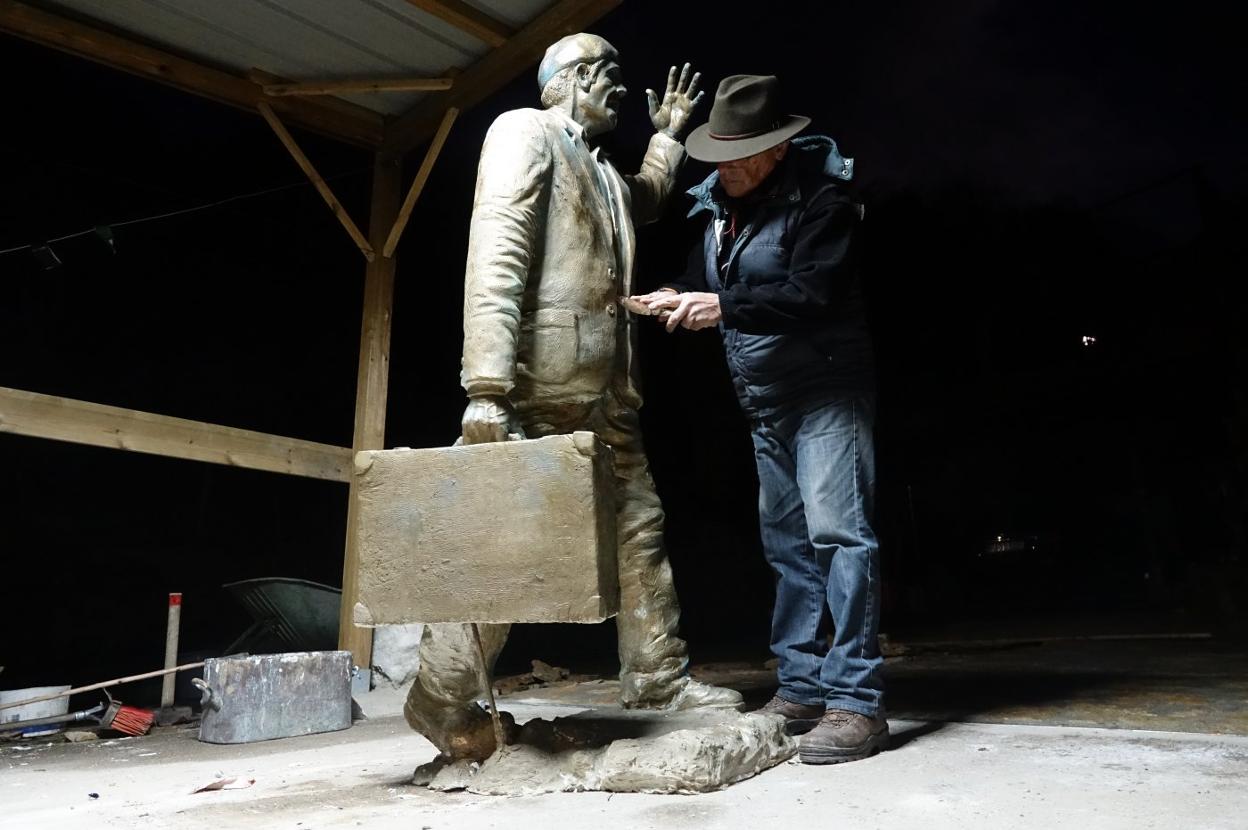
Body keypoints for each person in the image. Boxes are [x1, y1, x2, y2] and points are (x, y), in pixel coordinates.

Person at [403, 34, 742, 765]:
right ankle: (438, 699)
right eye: (611, 79)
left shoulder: (597, 164)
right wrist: (486, 387)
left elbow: (642, 199)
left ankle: (656, 681)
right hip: (533, 388)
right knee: (499, 552)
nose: (621, 92)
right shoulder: (524, 132)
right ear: (575, 79)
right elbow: (496, 249)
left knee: (639, 532)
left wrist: (667, 139)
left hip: (606, 394)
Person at [630, 74, 886, 764]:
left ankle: (857, 703)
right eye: (718, 154)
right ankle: (801, 689)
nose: (726, 167)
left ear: (777, 151)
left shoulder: (824, 202)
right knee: (787, 549)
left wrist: (724, 308)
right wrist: (674, 294)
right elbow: (701, 280)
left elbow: (814, 292)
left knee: (841, 537)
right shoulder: (717, 210)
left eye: (743, 155)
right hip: (765, 403)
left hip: (827, 395)